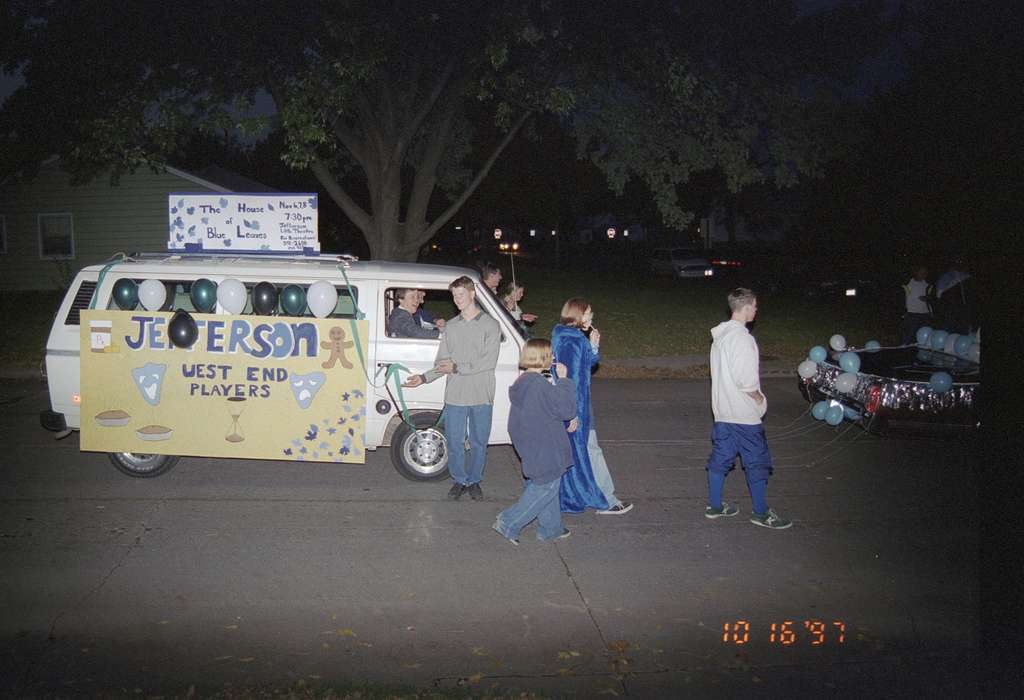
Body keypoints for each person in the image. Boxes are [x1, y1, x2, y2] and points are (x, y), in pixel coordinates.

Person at [402, 276, 500, 501]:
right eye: (454, 296)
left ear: (472, 294)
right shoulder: (452, 327)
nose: (457, 300)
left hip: (481, 393)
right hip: (455, 394)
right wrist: (424, 378)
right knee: (454, 441)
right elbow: (442, 364)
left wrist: (457, 367)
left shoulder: (490, 325)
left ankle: (474, 480)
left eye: (461, 295)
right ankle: (459, 479)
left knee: (478, 441)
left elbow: (488, 362)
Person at [705, 288, 790, 529]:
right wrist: (758, 399)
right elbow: (746, 380)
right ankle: (761, 513)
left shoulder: (720, 337)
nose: (756, 310)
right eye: (754, 306)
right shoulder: (742, 339)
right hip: (743, 414)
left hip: (723, 411)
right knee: (757, 462)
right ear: (744, 308)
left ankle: (715, 506)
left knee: (720, 459)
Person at [551, 298, 633, 515]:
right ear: (577, 316)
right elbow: (571, 379)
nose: (591, 316)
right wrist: (573, 413)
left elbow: (583, 365)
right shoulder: (573, 340)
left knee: (582, 452)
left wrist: (593, 344)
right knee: (590, 451)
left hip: (576, 404)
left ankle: (582, 497)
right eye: (588, 313)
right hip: (577, 407)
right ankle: (606, 500)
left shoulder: (566, 336)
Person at [493, 339, 578, 545]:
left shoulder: (524, 382)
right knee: (545, 486)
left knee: (547, 484)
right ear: (544, 358)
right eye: (550, 354)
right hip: (544, 444)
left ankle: (551, 528)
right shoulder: (539, 385)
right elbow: (565, 409)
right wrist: (565, 380)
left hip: (530, 441)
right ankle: (508, 522)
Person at [900, 265, 933, 345]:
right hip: (911, 314)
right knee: (908, 338)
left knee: (925, 339)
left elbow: (935, 299)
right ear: (915, 272)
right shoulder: (907, 284)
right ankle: (903, 353)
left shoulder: (928, 285)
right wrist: (903, 312)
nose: (924, 275)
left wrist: (928, 298)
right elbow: (900, 299)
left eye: (925, 273)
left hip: (925, 315)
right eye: (921, 272)